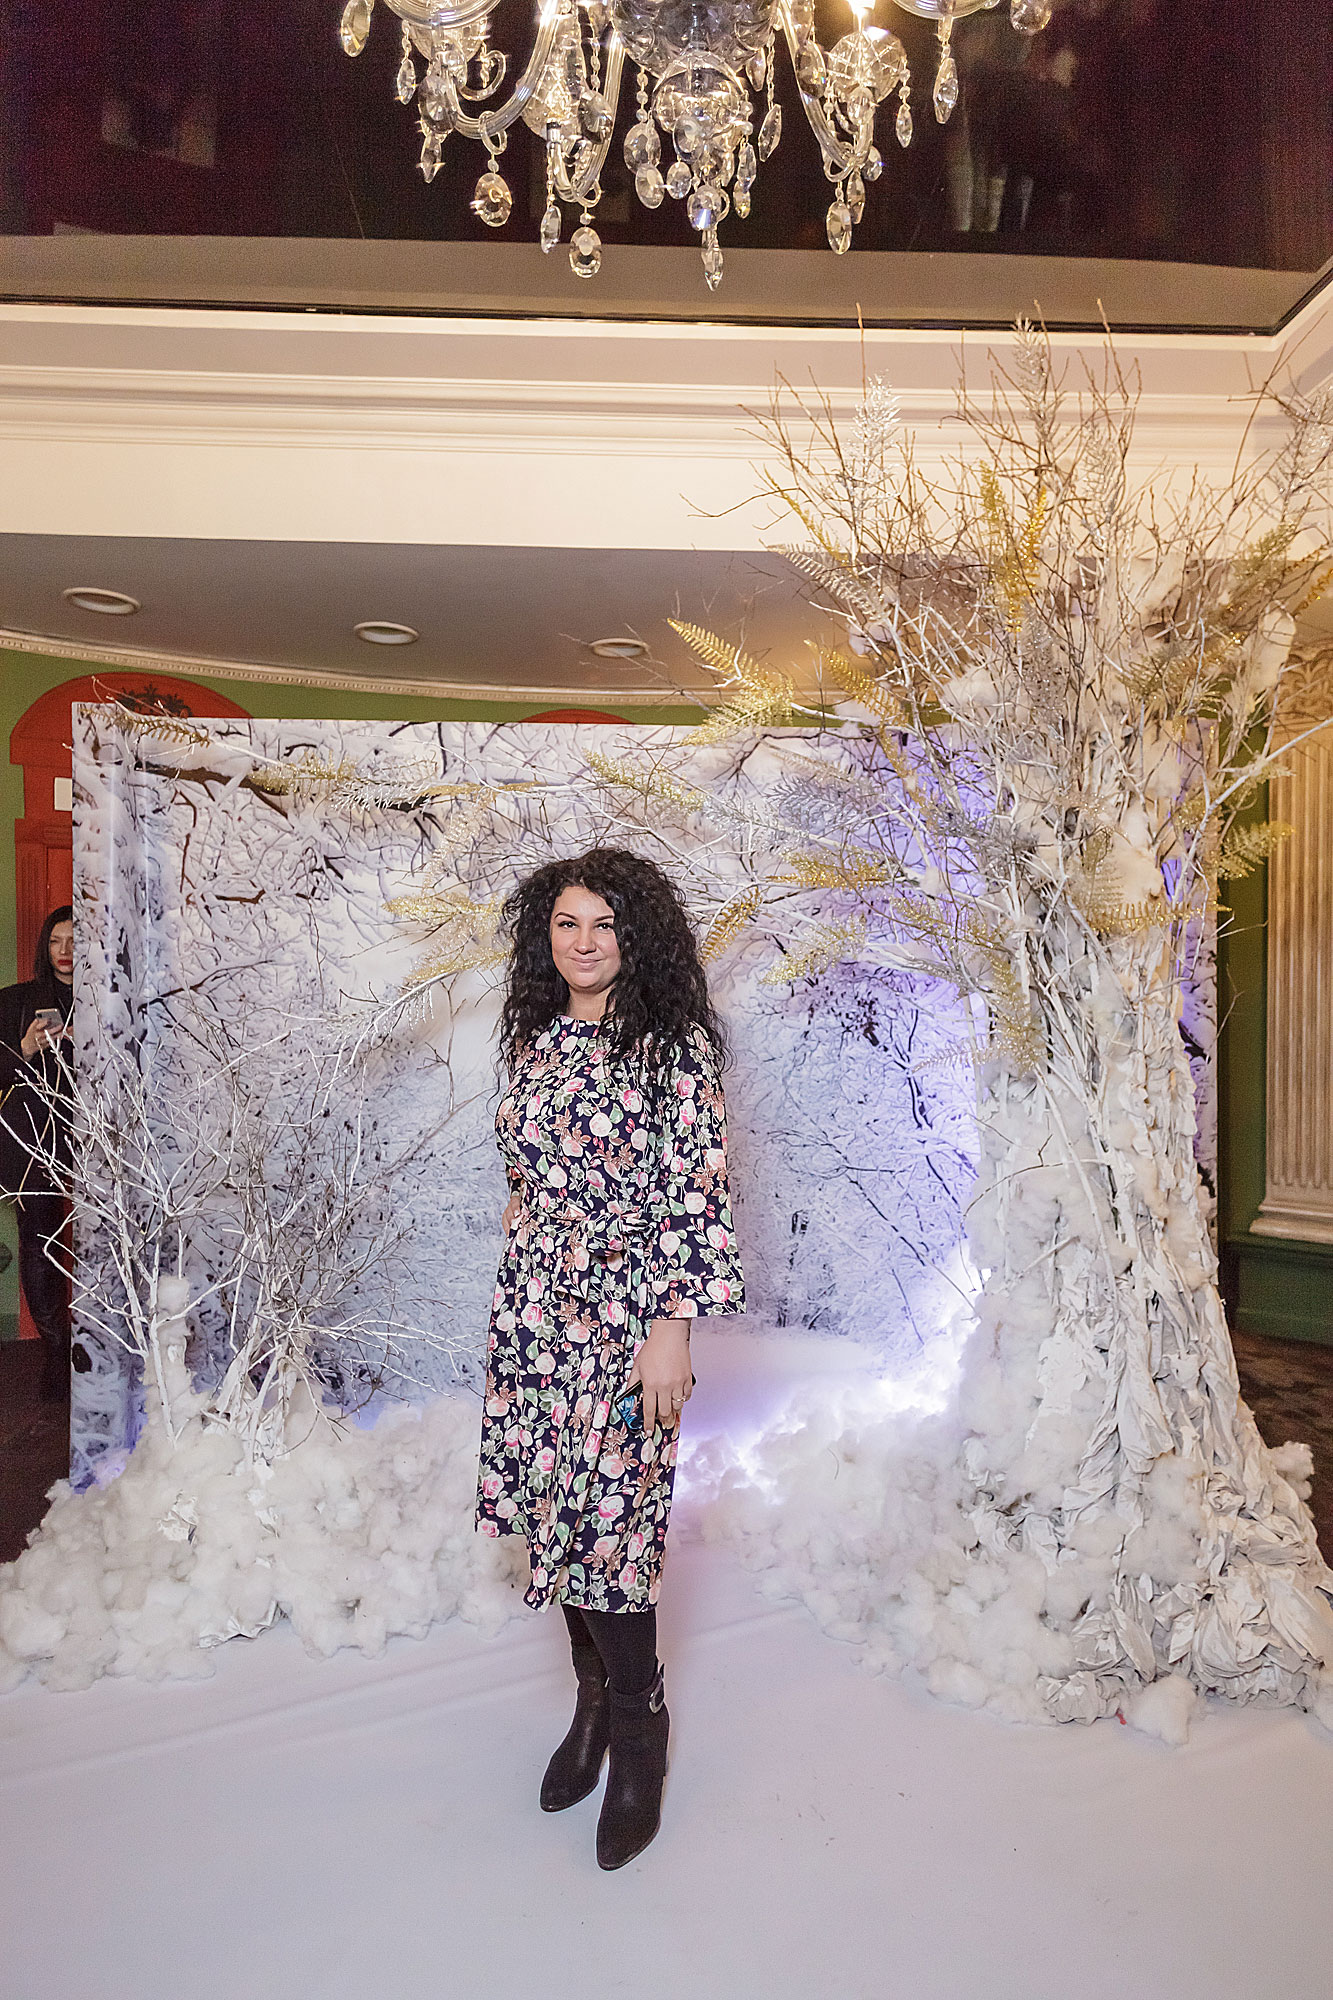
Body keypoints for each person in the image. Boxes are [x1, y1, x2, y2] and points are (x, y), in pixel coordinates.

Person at [477, 848, 745, 1869]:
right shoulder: (537, 1035)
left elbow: (692, 1187)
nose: (583, 942)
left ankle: (640, 1721)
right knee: (556, 1507)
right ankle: (589, 1699)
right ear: (544, 939)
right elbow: (531, 1158)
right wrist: (526, 1208)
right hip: (535, 1308)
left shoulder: (670, 1045)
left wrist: (672, 1325)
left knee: (611, 1524)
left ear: (636, 937)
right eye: (565, 924)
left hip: (626, 1313)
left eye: (603, 923)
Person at [0, 906, 76, 1401]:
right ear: (43, 946)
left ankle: (107, 1346)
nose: (65, 951)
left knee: (113, 1242)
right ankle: (57, 1352)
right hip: (34, 1138)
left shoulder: (113, 998)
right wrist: (25, 1048)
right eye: (55, 941)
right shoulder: (15, 1001)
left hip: (101, 1135)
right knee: (41, 1243)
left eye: (75, 941)